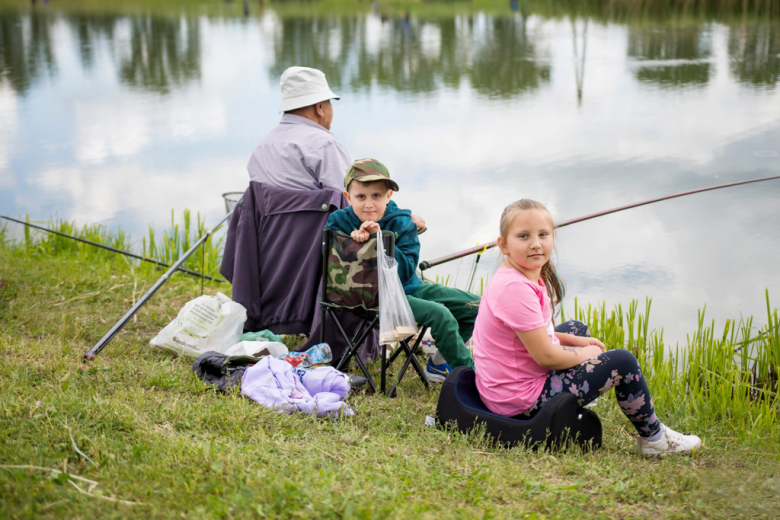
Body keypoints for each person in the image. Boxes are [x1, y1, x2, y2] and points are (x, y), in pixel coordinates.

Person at [472, 199, 702, 456]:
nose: (536, 244)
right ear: (503, 244)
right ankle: (654, 439)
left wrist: (578, 342)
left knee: (576, 329)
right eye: (523, 236)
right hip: (519, 401)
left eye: (543, 234)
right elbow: (545, 356)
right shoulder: (514, 289)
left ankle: (580, 389)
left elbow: (533, 332)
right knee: (623, 362)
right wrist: (588, 354)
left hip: (509, 385)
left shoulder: (518, 276)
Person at [325, 158, 477, 382]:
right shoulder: (338, 223)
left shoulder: (402, 223)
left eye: (376, 196)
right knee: (441, 315)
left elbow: (406, 271)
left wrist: (381, 241)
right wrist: (353, 243)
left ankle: (439, 364)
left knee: (475, 305)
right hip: (372, 298)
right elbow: (333, 269)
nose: (369, 204)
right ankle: (474, 378)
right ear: (348, 198)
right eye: (360, 197)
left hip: (407, 286)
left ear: (389, 196)